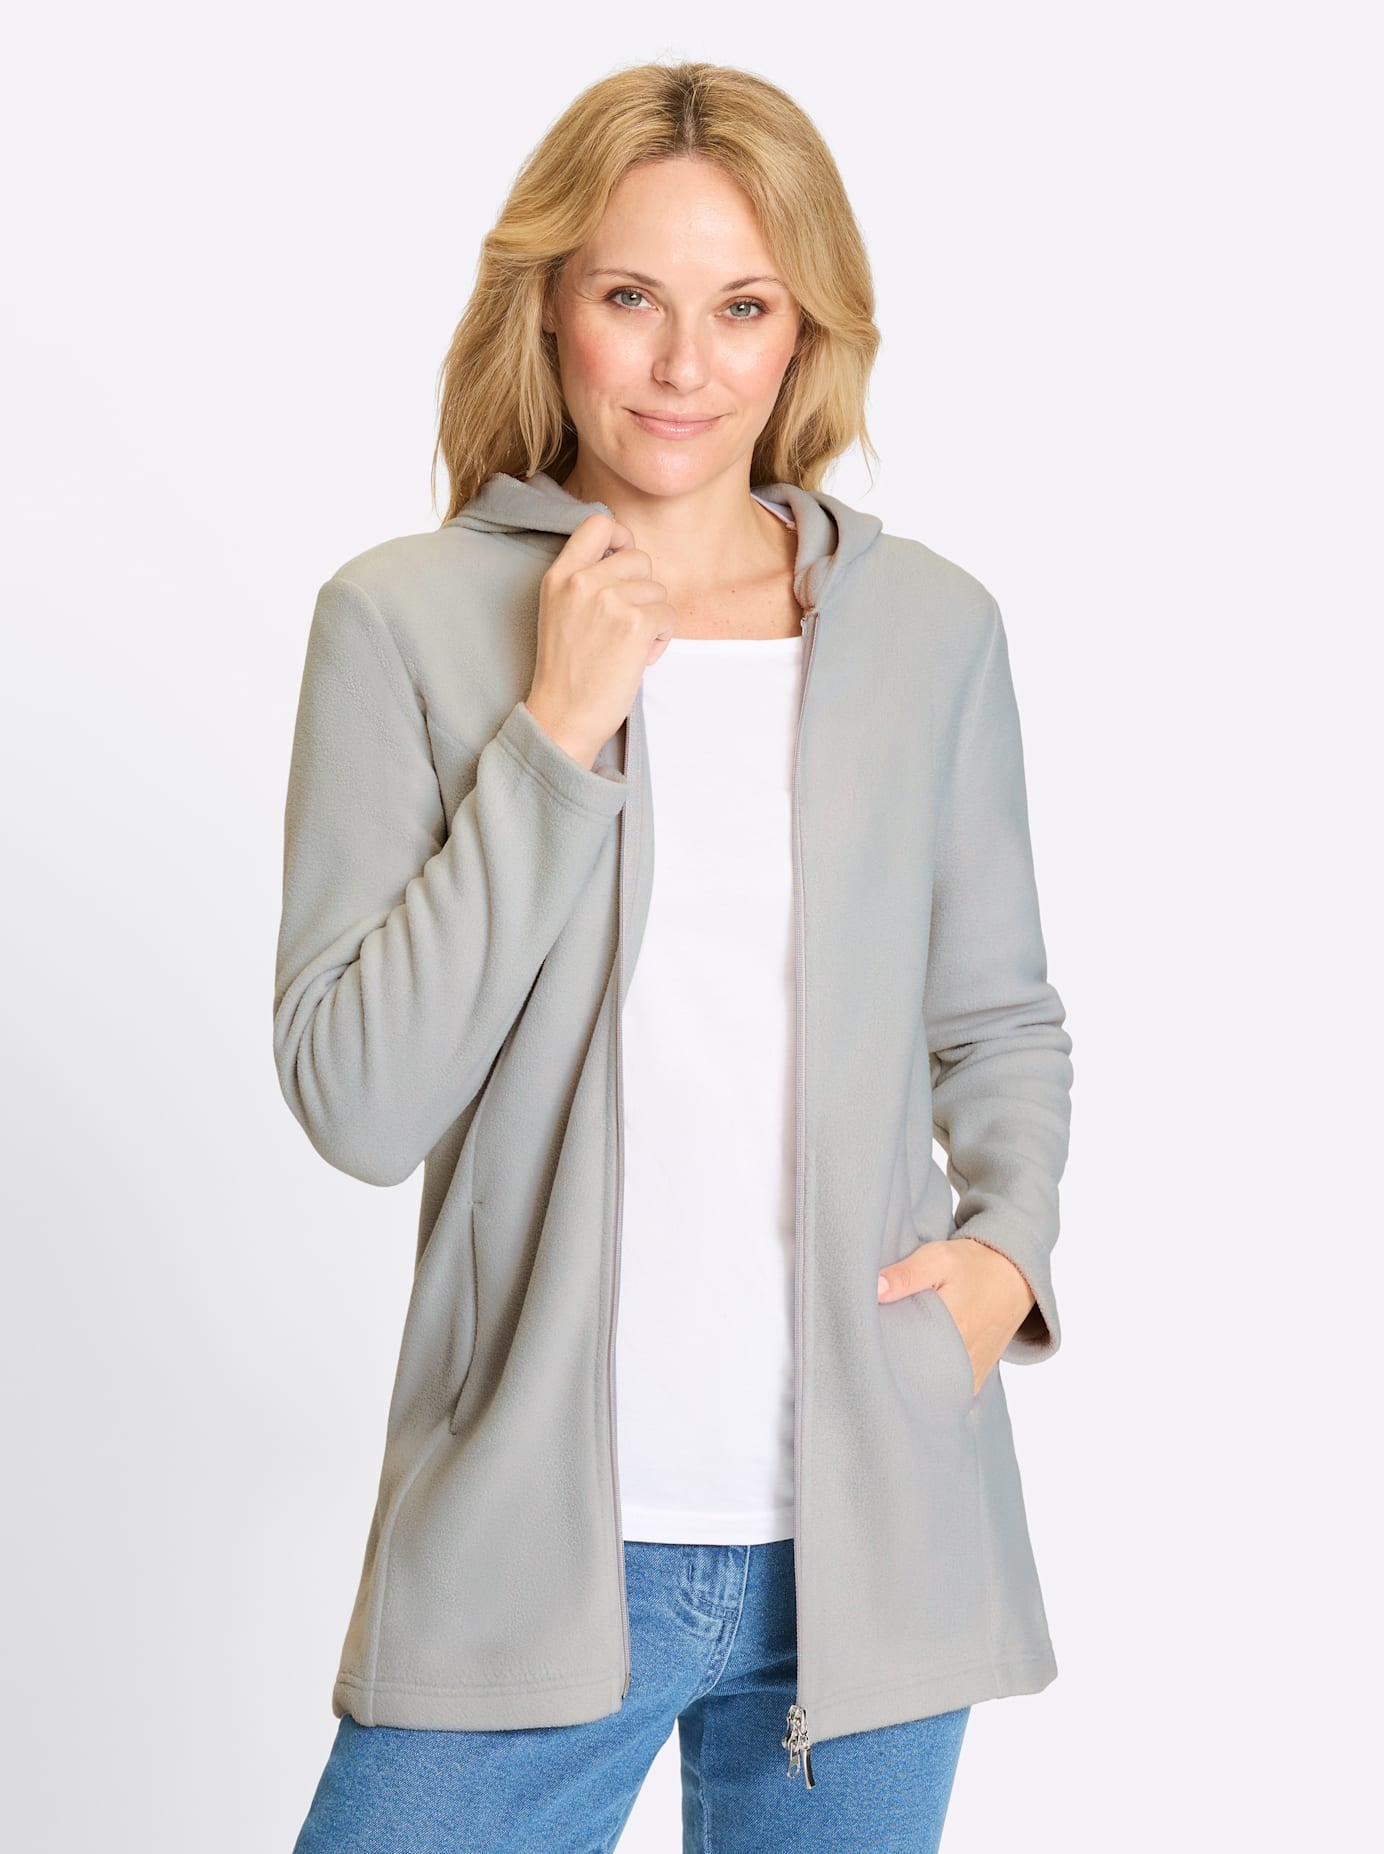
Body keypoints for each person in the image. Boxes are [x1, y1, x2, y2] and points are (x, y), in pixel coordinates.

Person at [276, 58, 1074, 1854]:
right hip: (531, 1544)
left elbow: (1001, 1014)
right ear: (550, 303)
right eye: (631, 295)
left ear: (807, 333)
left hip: (871, 1544)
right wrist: (555, 736)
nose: (682, 365)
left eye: (743, 307)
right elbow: (356, 1096)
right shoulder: (404, 620)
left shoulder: (930, 629)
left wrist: (1004, 1255)